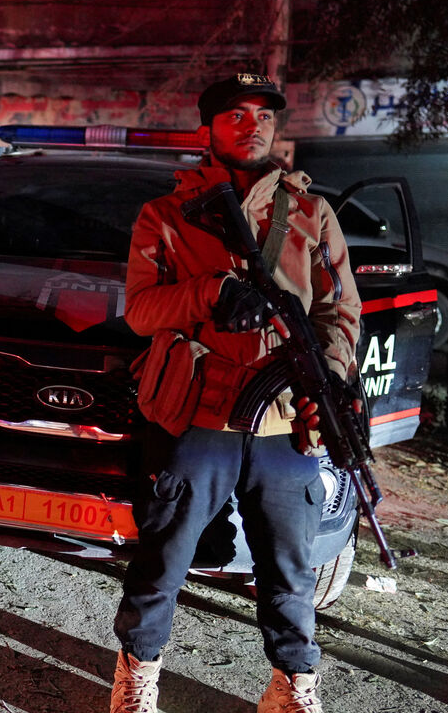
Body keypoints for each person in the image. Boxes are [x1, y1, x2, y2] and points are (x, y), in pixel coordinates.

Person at [110, 73, 361, 713]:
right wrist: (210, 293)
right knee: (163, 559)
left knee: (288, 569)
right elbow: (139, 311)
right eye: (236, 115)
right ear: (208, 130)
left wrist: (326, 377)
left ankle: (293, 684)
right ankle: (138, 675)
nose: (253, 126)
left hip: (285, 421)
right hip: (201, 415)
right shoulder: (164, 216)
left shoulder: (313, 215)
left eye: (264, 116)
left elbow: (340, 313)